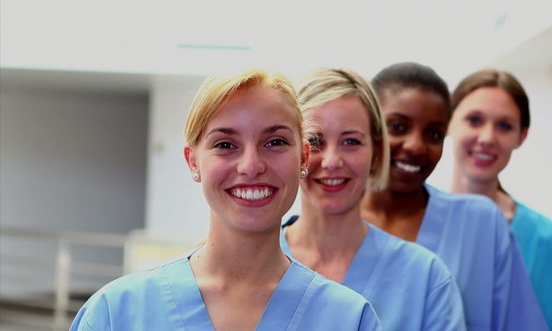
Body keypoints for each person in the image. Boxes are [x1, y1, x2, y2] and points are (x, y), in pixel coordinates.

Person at [70, 69, 382, 330]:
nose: (250, 165)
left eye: (275, 142)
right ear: (193, 161)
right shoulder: (117, 313)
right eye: (225, 144)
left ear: (303, 157)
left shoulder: (348, 319)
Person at [360, 62, 548, 331]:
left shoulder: (481, 224)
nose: (415, 145)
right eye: (398, 127)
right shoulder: (326, 229)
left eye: (434, 133)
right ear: (369, 125)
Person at [281, 68, 466, 330]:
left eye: (351, 141)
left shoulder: (426, 279)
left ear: (377, 152)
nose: (332, 161)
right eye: (314, 140)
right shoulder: (250, 265)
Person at [448, 68, 552, 331]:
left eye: (504, 126)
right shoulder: (410, 226)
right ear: (448, 123)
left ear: (521, 136)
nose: (487, 138)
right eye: (474, 120)